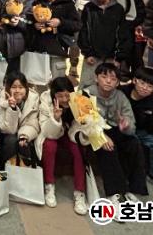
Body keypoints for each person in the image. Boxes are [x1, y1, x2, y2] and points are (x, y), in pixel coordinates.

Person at [78, 63, 148, 209]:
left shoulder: (121, 97)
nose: (108, 81)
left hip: (114, 130)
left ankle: (131, 189)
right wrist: (101, 136)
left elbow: (131, 125)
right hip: (89, 133)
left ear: (117, 83)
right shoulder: (84, 94)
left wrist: (126, 126)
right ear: (96, 78)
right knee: (108, 148)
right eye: (104, 77)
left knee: (134, 143)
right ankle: (113, 193)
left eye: (113, 79)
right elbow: (84, 123)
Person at [35, 76, 87, 214]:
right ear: (53, 94)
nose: (64, 99)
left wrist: (82, 120)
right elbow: (47, 132)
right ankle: (49, 185)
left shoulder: (78, 100)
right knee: (50, 145)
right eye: (60, 96)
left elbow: (79, 128)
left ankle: (79, 192)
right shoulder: (45, 101)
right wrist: (56, 118)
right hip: (51, 133)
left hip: (70, 132)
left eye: (67, 95)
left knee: (77, 148)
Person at [78, 0, 131, 90]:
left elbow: (123, 34)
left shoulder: (118, 9)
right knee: (86, 87)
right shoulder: (88, 8)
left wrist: (118, 58)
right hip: (92, 57)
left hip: (111, 58)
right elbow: (83, 31)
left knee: (108, 87)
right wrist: (88, 53)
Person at [27, 0, 82, 78]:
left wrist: (60, 22)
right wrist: (34, 25)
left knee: (58, 79)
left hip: (58, 48)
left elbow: (77, 25)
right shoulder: (37, 3)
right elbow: (28, 22)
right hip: (40, 49)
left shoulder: (67, 4)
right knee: (39, 80)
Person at [109, 0, 146, 79]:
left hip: (128, 35)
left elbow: (141, 13)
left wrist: (128, 25)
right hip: (108, 35)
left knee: (127, 64)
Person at [0, 71, 40, 166]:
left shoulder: (33, 99)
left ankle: (26, 171)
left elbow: (32, 123)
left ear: (26, 88)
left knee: (24, 144)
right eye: (13, 87)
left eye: (21, 87)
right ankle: (7, 169)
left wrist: (24, 136)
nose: (17, 90)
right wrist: (12, 108)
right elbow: (8, 129)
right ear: (8, 88)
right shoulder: (2, 99)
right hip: (7, 134)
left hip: (27, 134)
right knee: (11, 141)